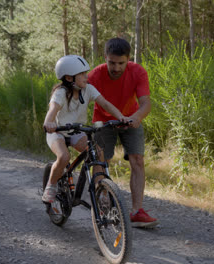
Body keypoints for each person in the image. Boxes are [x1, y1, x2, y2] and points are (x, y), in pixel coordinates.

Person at [88, 38, 158, 228]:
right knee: (101, 161)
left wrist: (137, 117)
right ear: (105, 58)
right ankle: (103, 207)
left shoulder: (138, 71)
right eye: (112, 62)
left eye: (121, 63)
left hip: (130, 118)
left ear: (128, 59)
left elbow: (145, 103)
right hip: (103, 120)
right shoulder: (95, 75)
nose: (116, 68)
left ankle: (137, 211)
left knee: (138, 160)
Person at [42, 55, 127, 204]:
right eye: (81, 74)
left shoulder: (88, 89)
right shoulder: (60, 93)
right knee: (64, 157)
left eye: (85, 73)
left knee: (98, 152)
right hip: (57, 132)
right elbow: (53, 110)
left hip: (76, 131)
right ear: (69, 78)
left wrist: (121, 117)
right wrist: (49, 123)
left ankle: (100, 189)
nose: (86, 77)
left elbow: (105, 104)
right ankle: (51, 185)